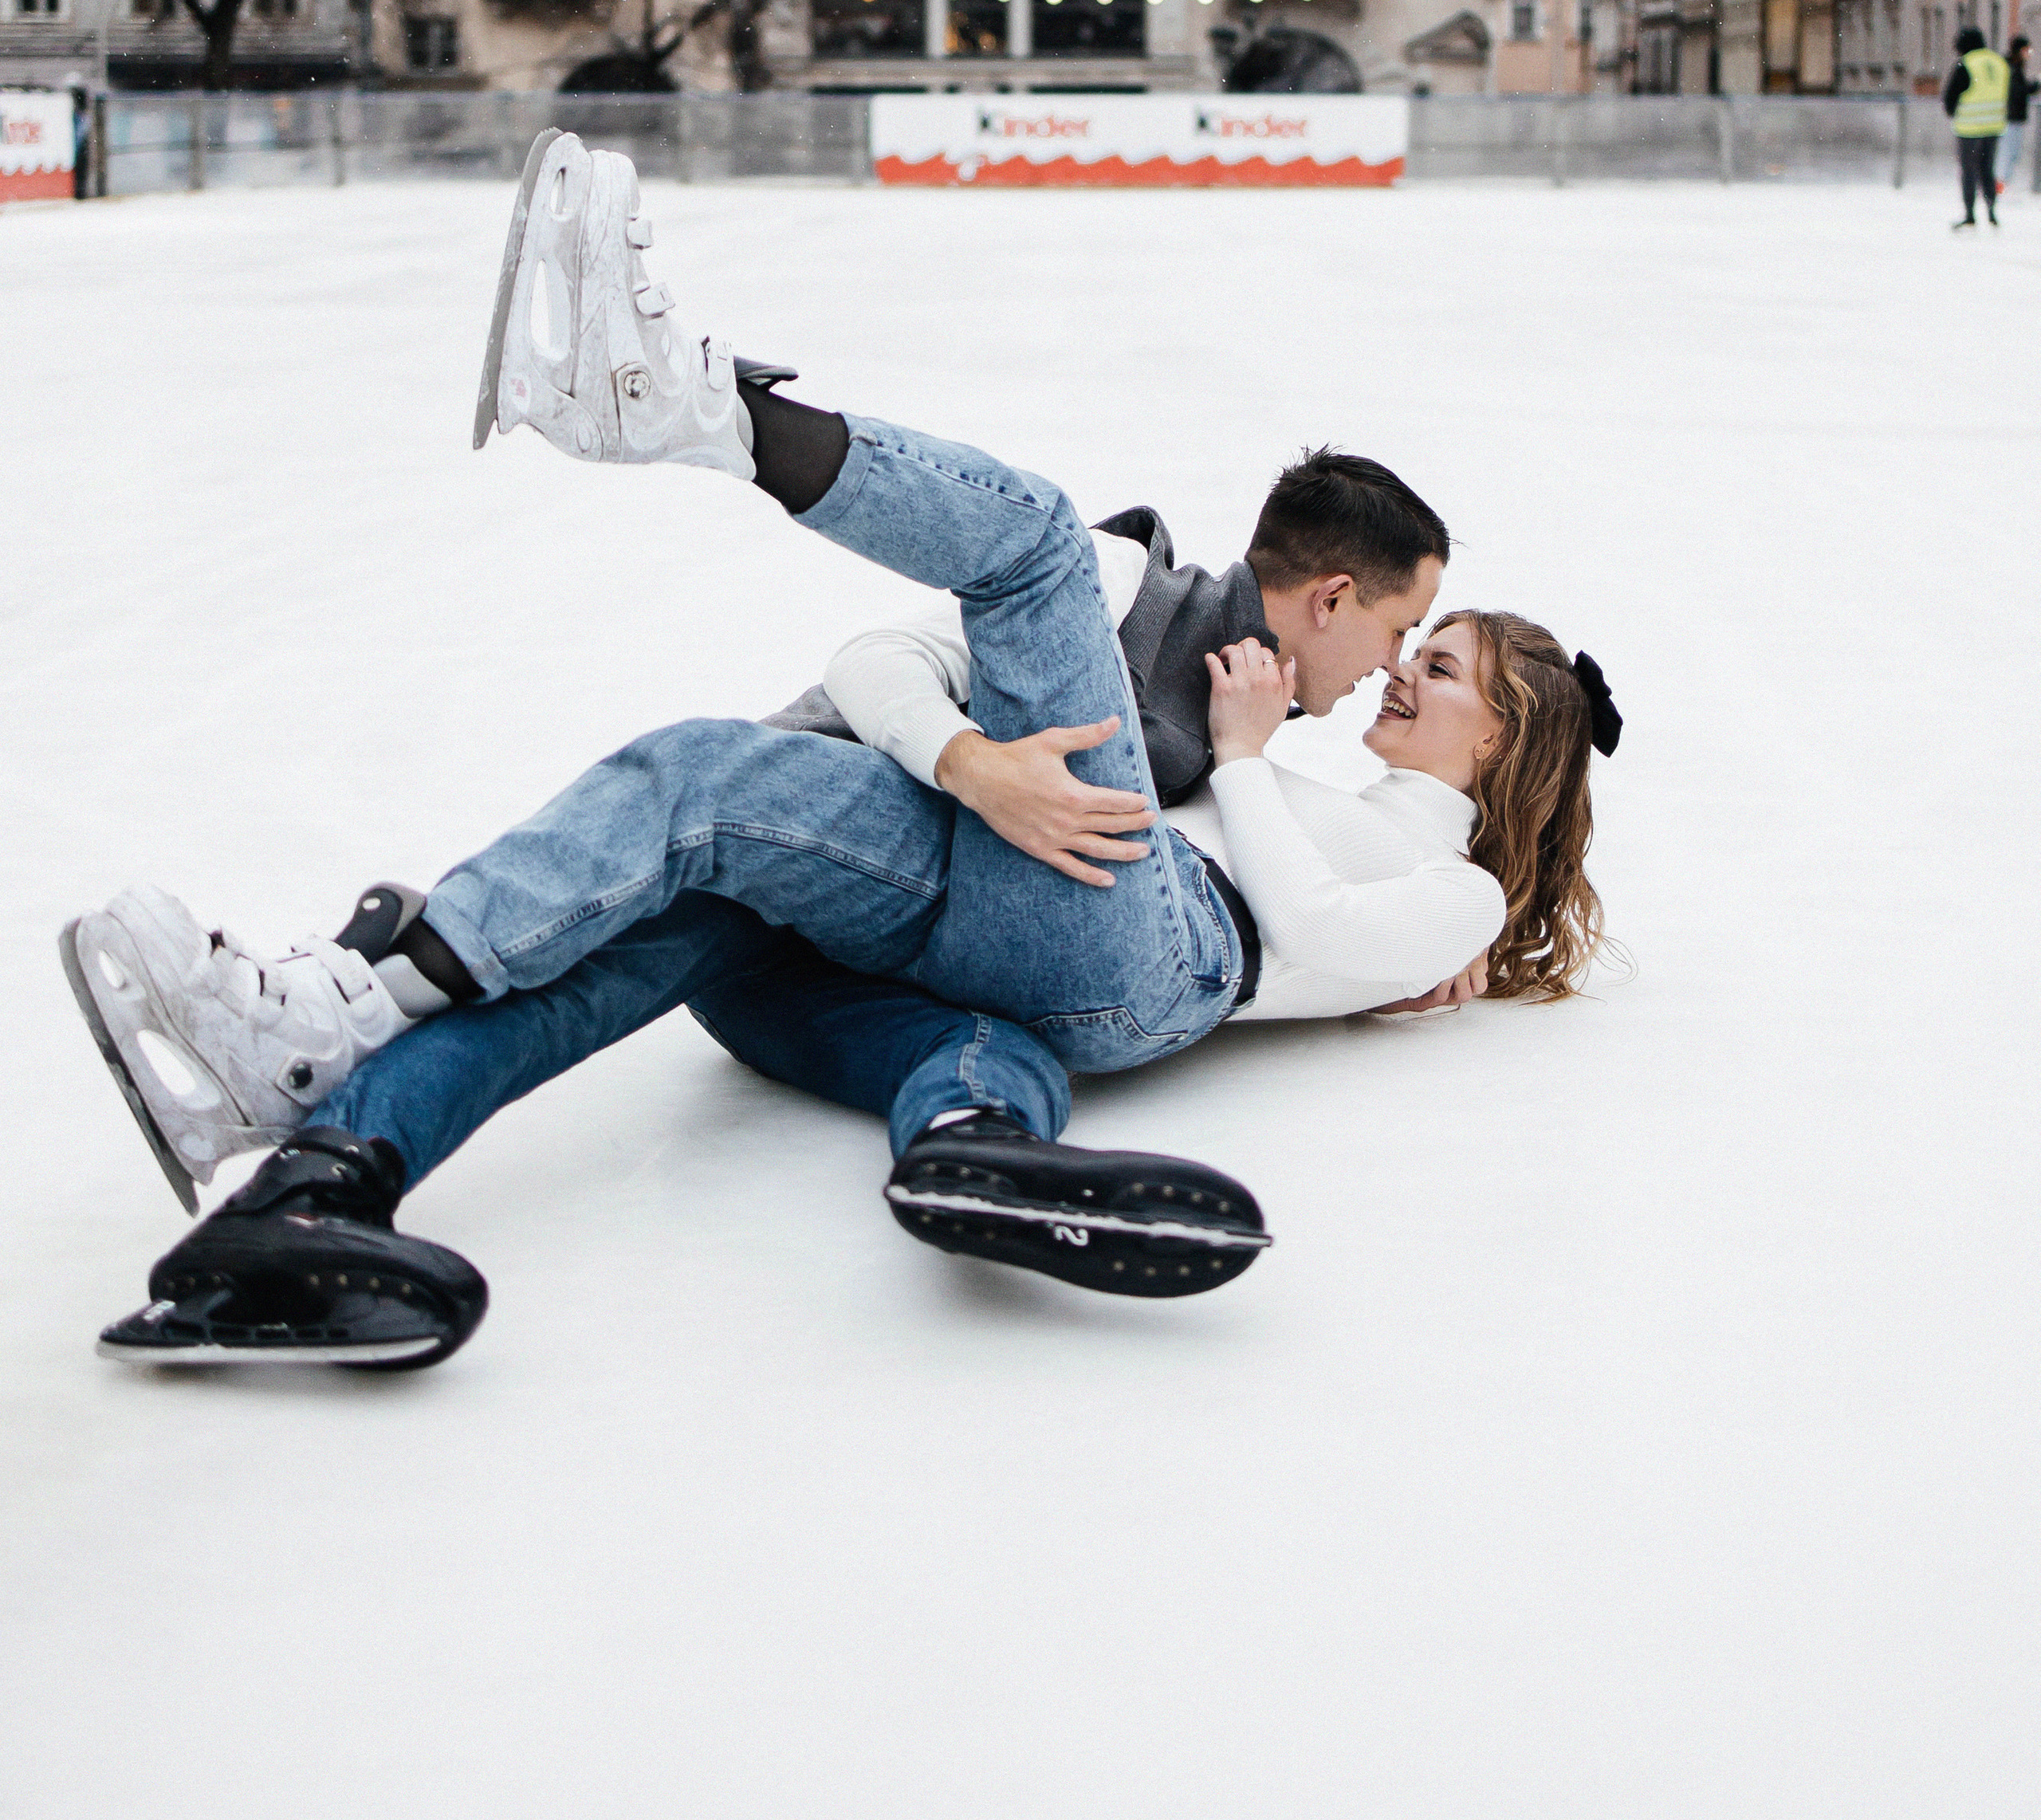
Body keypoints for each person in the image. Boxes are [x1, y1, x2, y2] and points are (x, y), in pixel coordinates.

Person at [68, 132, 1617, 1366]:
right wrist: (974, 760)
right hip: (988, 950)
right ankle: (315, 1181)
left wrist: (1256, 763)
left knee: (813, 696)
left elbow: (1321, 926)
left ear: (1512, 750)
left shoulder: (1381, 826)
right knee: (699, 921)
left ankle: (687, 422)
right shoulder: (1174, 626)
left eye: (1440, 668)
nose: (1389, 681)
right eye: (1409, 643)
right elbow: (893, 670)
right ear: (1338, 595)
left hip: (1125, 948)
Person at [1945, 22, 2010, 229]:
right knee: (1987, 169)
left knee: (1968, 171)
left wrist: (1953, 111)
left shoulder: (1966, 63)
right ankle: (1991, 209)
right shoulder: (1999, 62)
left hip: (1969, 128)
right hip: (1994, 126)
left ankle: (1970, 213)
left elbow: (1950, 96)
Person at [2000, 33, 2031, 200]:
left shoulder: (2016, 67)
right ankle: (2001, 184)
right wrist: (2031, 87)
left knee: (2012, 153)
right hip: (2010, 117)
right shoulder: (2011, 67)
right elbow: (2017, 91)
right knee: (2008, 153)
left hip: (2015, 117)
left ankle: (2004, 184)